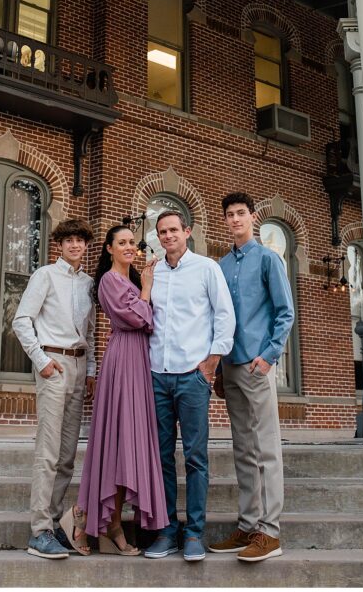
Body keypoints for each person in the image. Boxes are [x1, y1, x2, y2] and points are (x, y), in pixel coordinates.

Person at [60, 224, 169, 556]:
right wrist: (147, 290)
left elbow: (151, 319)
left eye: (131, 243)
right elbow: (137, 318)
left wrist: (145, 289)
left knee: (130, 447)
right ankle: (88, 516)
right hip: (122, 363)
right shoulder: (109, 280)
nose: (128, 247)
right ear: (108, 248)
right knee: (118, 444)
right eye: (121, 242)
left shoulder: (134, 280)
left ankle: (107, 520)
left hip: (140, 364)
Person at [144, 210, 236, 563]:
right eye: (162, 232)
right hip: (157, 374)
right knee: (162, 457)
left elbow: (224, 315)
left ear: (188, 231)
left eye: (173, 231)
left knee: (196, 457)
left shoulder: (206, 268)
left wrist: (212, 362)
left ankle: (195, 531)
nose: (168, 236)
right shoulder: (153, 271)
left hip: (192, 376)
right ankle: (167, 529)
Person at [209, 192, 295, 563]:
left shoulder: (268, 259)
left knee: (266, 450)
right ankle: (247, 525)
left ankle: (270, 532)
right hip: (229, 367)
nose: (234, 220)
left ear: (253, 217)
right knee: (243, 449)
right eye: (229, 215)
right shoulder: (222, 265)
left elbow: (285, 312)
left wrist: (269, 356)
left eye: (240, 213)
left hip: (256, 366)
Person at [12, 218, 96, 561]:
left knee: (66, 454)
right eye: (69, 240)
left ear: (86, 245)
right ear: (59, 245)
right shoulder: (45, 275)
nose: (75, 245)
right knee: (47, 451)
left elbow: (89, 332)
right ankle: (39, 531)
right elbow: (21, 320)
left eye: (80, 240)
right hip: (53, 364)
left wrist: (90, 371)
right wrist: (41, 360)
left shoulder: (90, 283)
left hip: (78, 366)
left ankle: (54, 522)